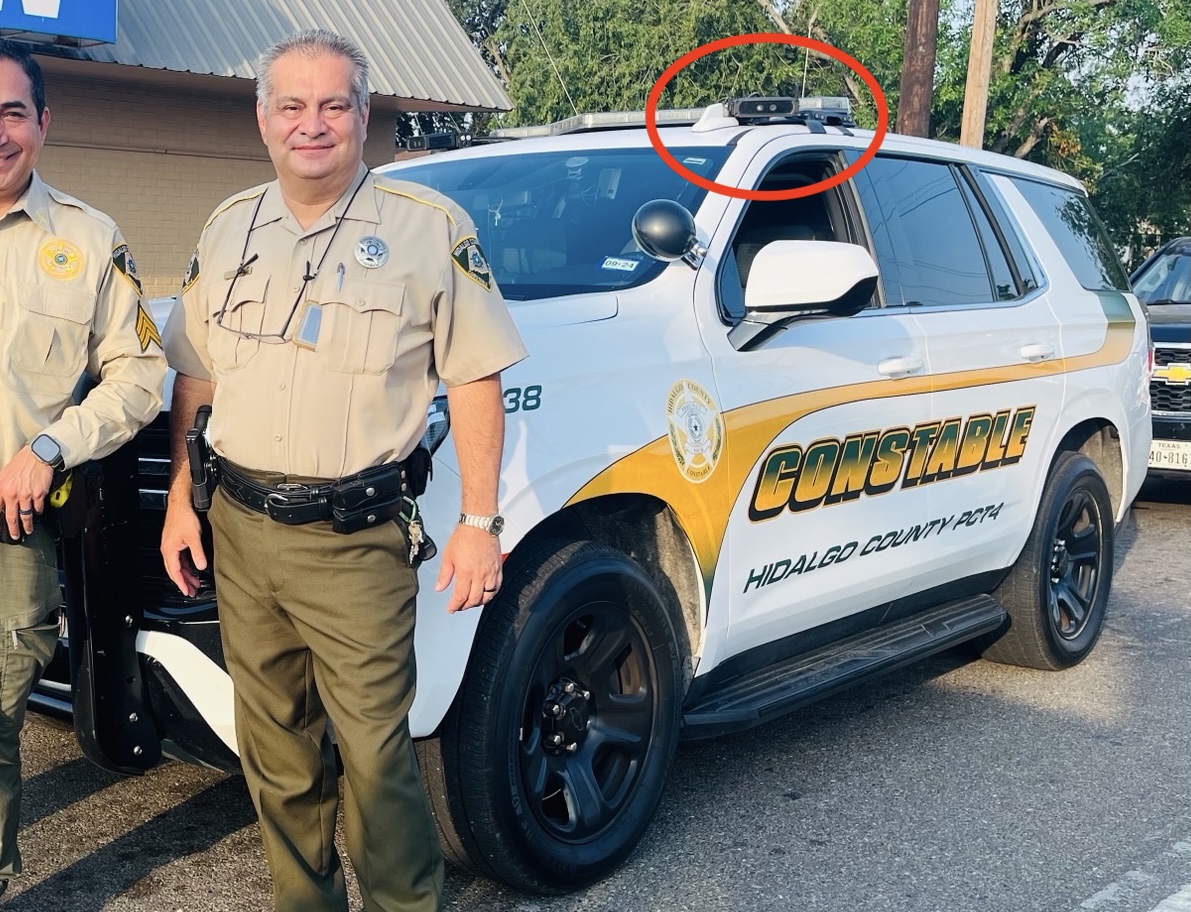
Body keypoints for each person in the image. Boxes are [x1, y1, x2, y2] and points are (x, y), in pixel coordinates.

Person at [159, 29, 527, 912]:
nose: (311, 124)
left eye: (333, 105)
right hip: (241, 527)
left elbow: (475, 377)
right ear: (262, 119)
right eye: (291, 105)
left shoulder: (427, 229)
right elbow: (196, 375)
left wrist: (480, 523)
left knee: (374, 755)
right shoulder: (229, 224)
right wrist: (180, 496)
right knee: (275, 750)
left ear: (364, 116)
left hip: (354, 537)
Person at [0, 39, 167, 897]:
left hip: (13, 526)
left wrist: (51, 445)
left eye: (11, 112)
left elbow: (139, 375)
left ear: (43, 121)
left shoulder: (89, 238)